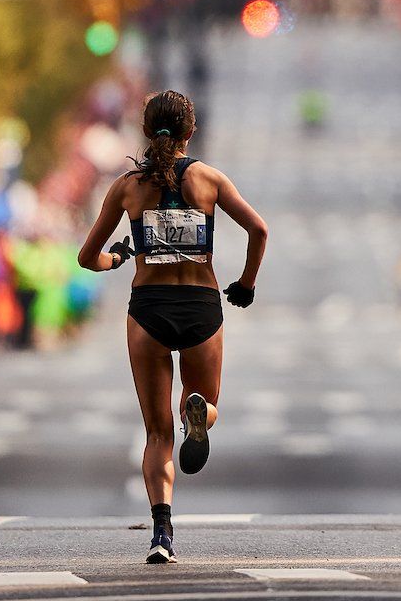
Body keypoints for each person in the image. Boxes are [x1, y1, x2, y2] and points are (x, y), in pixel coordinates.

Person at [78, 90, 268, 565]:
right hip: (200, 306)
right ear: (191, 131)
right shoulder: (209, 180)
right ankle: (197, 417)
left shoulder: (127, 187)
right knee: (205, 403)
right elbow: (258, 230)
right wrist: (245, 283)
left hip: (149, 310)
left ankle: (161, 533)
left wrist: (117, 258)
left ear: (145, 130)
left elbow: (86, 257)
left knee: (156, 434)